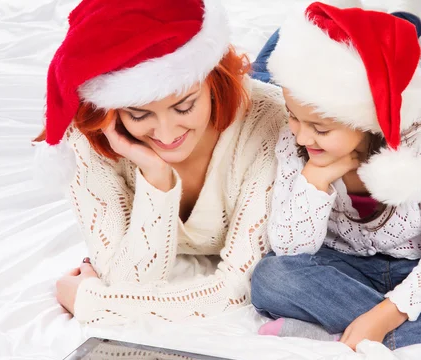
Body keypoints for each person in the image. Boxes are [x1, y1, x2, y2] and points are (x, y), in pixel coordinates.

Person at [249, 0, 421, 351]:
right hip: (342, 270)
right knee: (271, 277)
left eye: (320, 128)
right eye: (293, 117)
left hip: (418, 269)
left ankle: (342, 335)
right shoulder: (298, 141)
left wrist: (386, 314)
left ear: (367, 120)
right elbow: (290, 250)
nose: (302, 137)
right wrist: (316, 181)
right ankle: (410, 332)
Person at [34, 0, 286, 324]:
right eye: (139, 114)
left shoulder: (270, 123)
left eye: (184, 107)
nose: (166, 134)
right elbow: (127, 282)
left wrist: (92, 303)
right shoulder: (89, 139)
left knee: (310, 49)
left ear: (212, 80)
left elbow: (239, 289)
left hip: (261, 94)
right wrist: (156, 178)